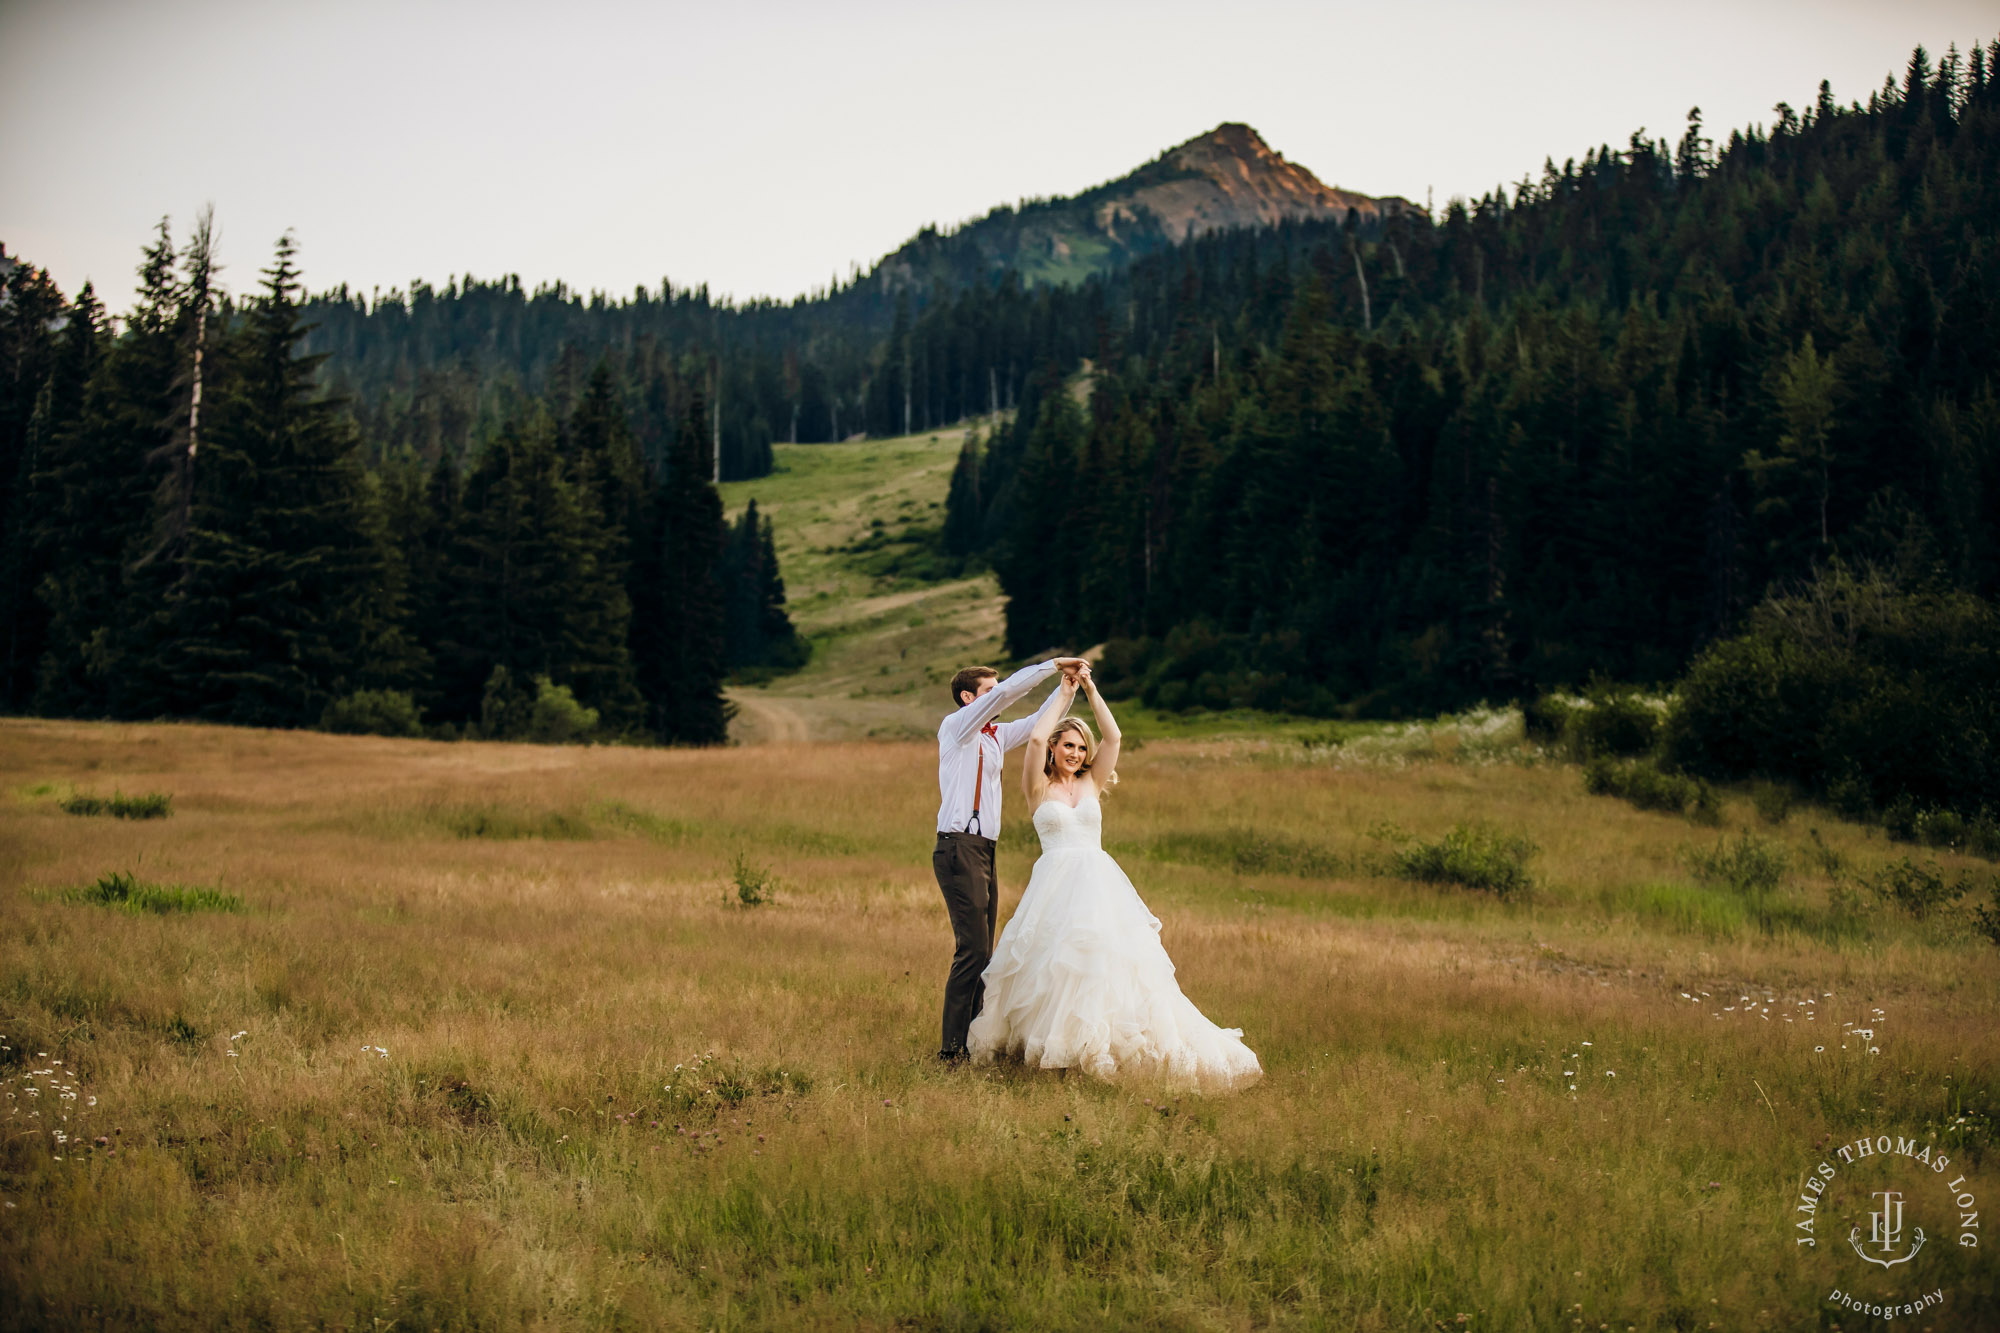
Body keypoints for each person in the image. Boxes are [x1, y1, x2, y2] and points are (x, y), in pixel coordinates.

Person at [967, 664, 1262, 1092]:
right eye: (1067, 745)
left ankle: (1103, 1049)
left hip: (1099, 886)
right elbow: (1032, 738)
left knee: (1106, 966)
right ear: (1053, 749)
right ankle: (1054, 1053)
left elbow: (1115, 737)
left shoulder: (1092, 780)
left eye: (1080, 747)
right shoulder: (1037, 789)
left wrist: (1090, 687)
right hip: (1054, 888)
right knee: (1054, 967)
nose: (1075, 753)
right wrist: (1062, 695)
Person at [932, 655, 1089, 1062]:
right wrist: (1052, 665)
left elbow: (1039, 724)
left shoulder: (994, 736)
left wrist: (1066, 689)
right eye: (986, 691)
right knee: (972, 950)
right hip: (958, 846)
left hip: (985, 850)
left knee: (986, 953)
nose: (995, 696)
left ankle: (976, 1041)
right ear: (968, 698)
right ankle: (951, 1052)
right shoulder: (957, 728)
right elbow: (1007, 692)